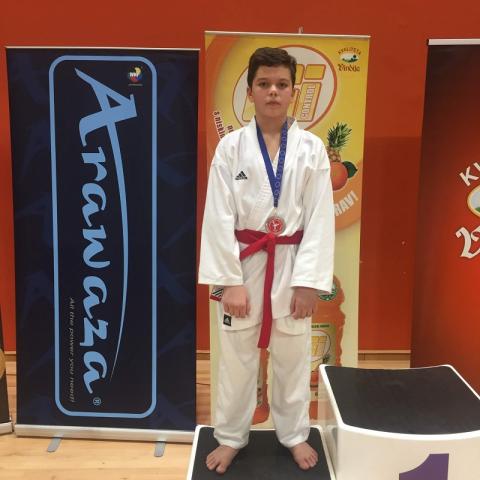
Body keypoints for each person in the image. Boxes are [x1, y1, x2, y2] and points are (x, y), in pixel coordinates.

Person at [199, 47, 335, 474]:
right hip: (244, 262)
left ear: (293, 91)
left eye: (281, 84)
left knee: (293, 357)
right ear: (250, 91)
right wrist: (229, 280)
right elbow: (218, 216)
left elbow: (320, 218)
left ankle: (294, 434)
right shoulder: (230, 148)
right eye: (264, 84)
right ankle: (230, 436)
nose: (273, 91)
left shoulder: (312, 149)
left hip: (292, 263)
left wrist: (309, 283)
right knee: (236, 358)